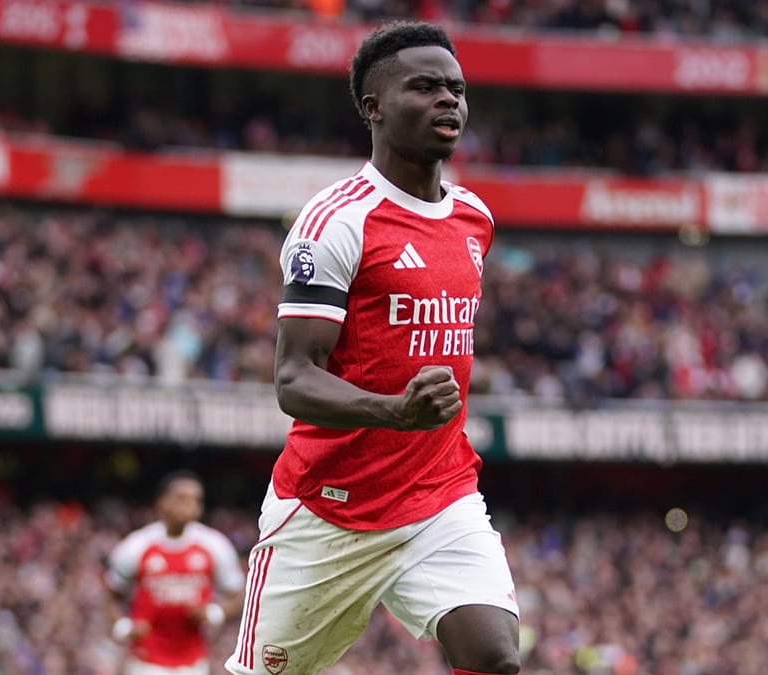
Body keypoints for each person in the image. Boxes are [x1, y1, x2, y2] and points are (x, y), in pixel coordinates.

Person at [224, 21, 520, 675]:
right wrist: (394, 411)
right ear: (373, 106)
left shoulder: (475, 218)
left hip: (439, 493)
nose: (449, 100)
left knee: (494, 656)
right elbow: (294, 380)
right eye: (425, 86)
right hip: (328, 507)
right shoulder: (336, 221)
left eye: (457, 88)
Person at [107, 470, 246, 675]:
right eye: (181, 498)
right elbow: (111, 594)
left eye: (196, 500)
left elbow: (237, 594)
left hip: (193, 662)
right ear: (162, 503)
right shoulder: (137, 546)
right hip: (146, 660)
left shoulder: (215, 545)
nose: (189, 505)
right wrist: (123, 626)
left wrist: (214, 612)